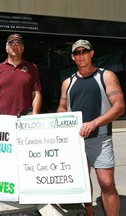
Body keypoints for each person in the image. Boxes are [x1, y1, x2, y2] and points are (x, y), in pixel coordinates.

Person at [57, 39, 125, 216]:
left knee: (106, 183)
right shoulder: (68, 82)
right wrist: (60, 123)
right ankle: (90, 214)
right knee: (83, 183)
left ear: (91, 53)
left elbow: (119, 106)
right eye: (77, 53)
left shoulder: (106, 76)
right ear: (73, 57)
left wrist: (94, 123)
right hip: (76, 141)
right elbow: (62, 108)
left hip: (100, 138)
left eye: (84, 51)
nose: (81, 56)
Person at [0, 33, 42, 115]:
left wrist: (35, 114)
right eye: (11, 43)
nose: (15, 46)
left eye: (18, 43)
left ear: (23, 48)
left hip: (25, 117)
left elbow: (36, 93)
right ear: (6, 48)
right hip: (2, 117)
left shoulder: (32, 67)